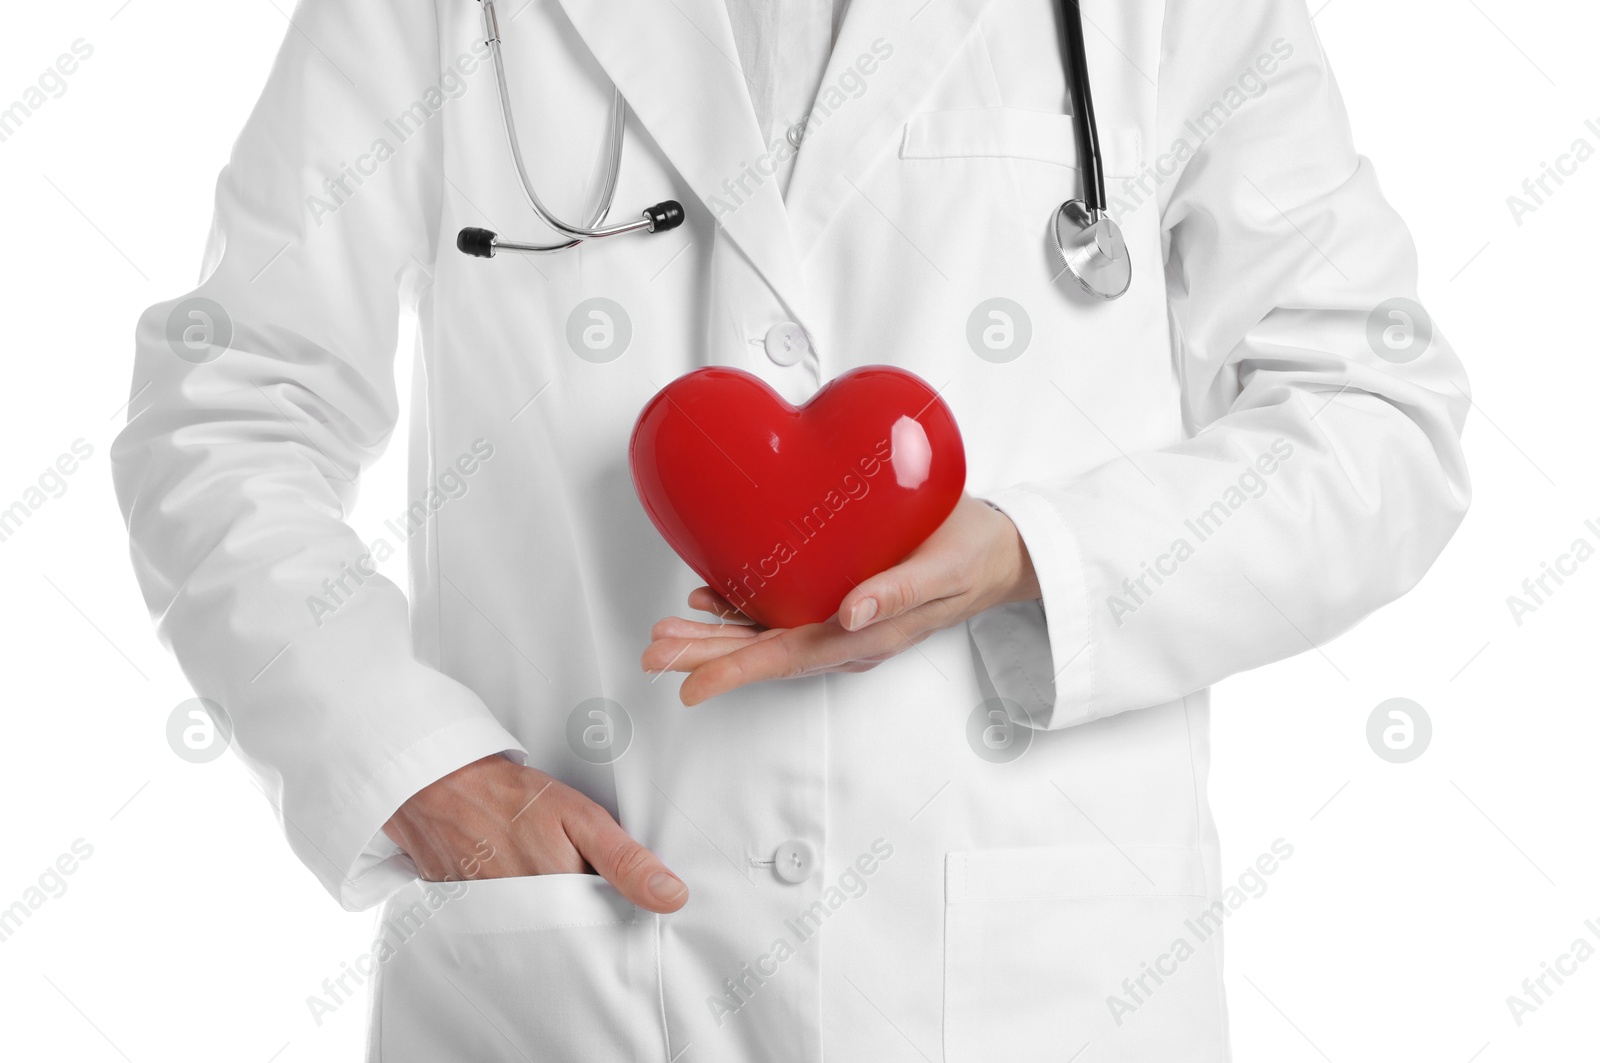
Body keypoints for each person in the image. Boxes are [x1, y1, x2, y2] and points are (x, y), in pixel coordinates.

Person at [112, 0, 1470, 1059]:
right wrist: (418, 772)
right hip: (569, 996)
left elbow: (1375, 419)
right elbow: (231, 410)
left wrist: (1032, 557)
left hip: (1041, 994)